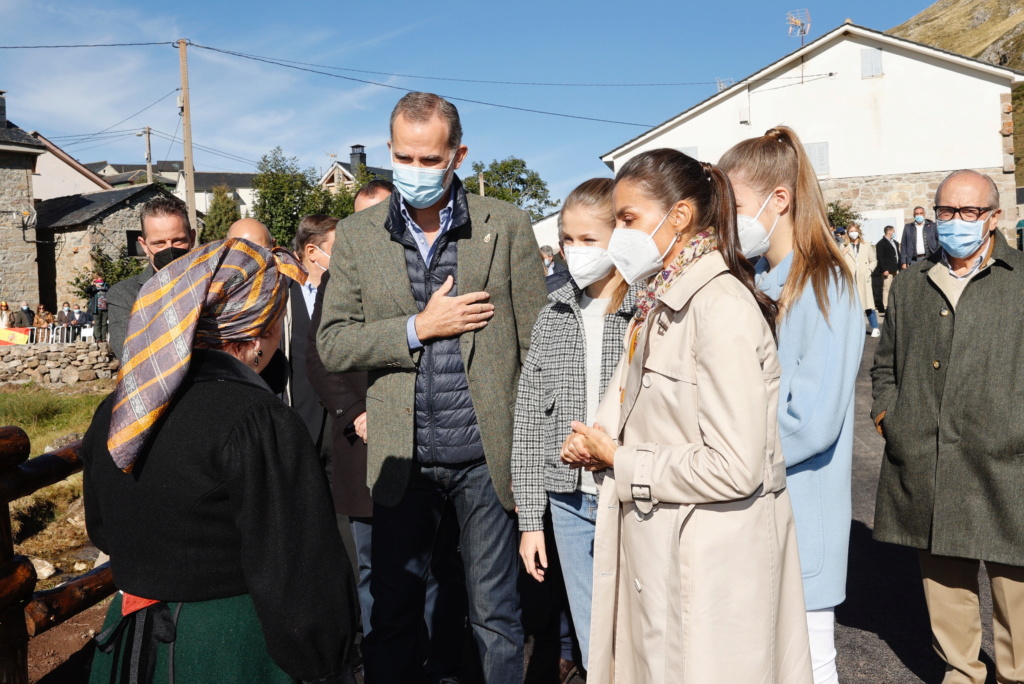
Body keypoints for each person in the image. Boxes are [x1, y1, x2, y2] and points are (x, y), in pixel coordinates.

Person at [317, 91, 547, 684]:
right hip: (403, 458)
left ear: (458, 154)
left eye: (429, 159)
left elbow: (535, 347)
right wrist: (419, 328)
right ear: (389, 153)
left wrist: (532, 457)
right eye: (404, 157)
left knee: (496, 616)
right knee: (392, 615)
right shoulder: (359, 234)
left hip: (483, 457)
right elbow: (334, 342)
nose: (415, 171)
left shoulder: (505, 225)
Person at [561, 149, 811, 683]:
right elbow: (642, 409)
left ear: (678, 217)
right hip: (663, 555)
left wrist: (624, 461)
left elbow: (737, 465)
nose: (616, 236)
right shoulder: (658, 301)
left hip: (709, 568)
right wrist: (595, 442)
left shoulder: (720, 308)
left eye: (627, 220)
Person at [81, 238, 358, 684]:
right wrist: (326, 665)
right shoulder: (259, 420)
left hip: (129, 641)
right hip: (229, 648)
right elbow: (300, 573)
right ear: (258, 330)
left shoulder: (121, 408)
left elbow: (102, 528)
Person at [720, 126, 863, 684]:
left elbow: (811, 421)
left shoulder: (823, 282)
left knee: (808, 663)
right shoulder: (758, 281)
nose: (725, 219)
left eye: (734, 205)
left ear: (779, 201)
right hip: (758, 501)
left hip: (799, 509)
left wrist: (722, 448)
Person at [872, 169, 1024, 684]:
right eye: (945, 212)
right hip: (929, 460)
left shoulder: (1021, 278)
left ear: (994, 217)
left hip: (1009, 464)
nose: (955, 222)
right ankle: (961, 675)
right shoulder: (913, 282)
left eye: (969, 212)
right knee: (946, 596)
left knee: (1017, 602)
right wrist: (889, 415)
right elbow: (885, 363)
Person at [513, 178, 638, 676]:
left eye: (590, 239)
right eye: (567, 238)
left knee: (637, 630)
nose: (575, 251)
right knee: (590, 635)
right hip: (567, 501)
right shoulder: (553, 313)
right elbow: (526, 418)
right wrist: (529, 519)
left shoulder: (646, 311)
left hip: (628, 495)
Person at [107, 196, 196, 358]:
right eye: (159, 243)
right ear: (144, 245)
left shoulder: (214, 284)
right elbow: (130, 357)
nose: (169, 249)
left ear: (192, 238)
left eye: (178, 241)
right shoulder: (125, 295)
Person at [287, 214, 337, 443]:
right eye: (338, 247)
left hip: (341, 420)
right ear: (311, 252)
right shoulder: (282, 295)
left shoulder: (346, 293)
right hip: (299, 418)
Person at [840, 223, 879, 337]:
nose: (853, 233)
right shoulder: (843, 245)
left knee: (868, 303)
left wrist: (868, 271)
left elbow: (873, 260)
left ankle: (875, 327)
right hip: (850, 278)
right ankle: (854, 328)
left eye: (855, 230)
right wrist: (842, 254)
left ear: (858, 232)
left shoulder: (866, 245)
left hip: (863, 277)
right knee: (852, 304)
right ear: (847, 233)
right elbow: (838, 262)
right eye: (851, 231)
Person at [873, 224, 899, 313]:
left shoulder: (894, 242)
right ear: (889, 232)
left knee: (896, 287)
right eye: (893, 231)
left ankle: (896, 305)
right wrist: (884, 269)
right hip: (887, 270)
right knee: (886, 288)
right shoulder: (881, 243)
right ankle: (886, 306)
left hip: (896, 268)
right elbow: (880, 257)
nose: (894, 233)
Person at [85, 277, 109, 343]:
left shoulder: (106, 286)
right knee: (97, 323)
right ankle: (98, 338)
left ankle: (104, 338)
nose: (100, 281)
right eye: (98, 280)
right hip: (96, 308)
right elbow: (86, 291)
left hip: (105, 308)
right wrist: (92, 285)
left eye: (101, 279)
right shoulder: (93, 288)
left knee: (104, 324)